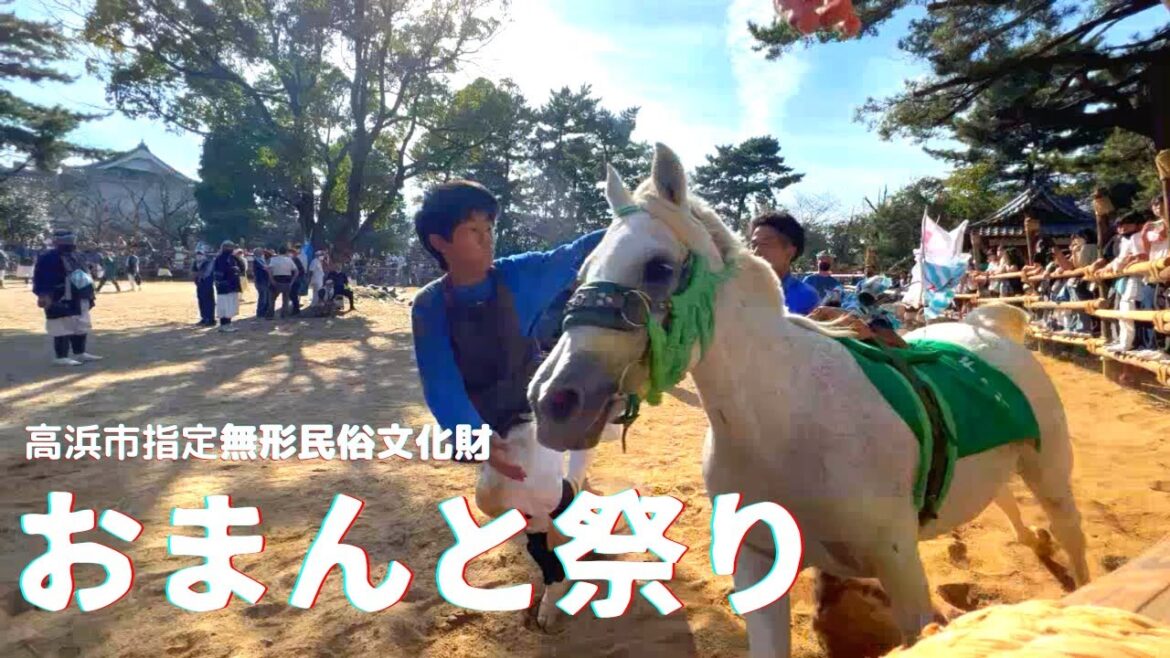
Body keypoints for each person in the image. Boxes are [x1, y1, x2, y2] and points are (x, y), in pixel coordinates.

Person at [411, 179, 608, 593]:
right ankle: (566, 518)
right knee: (497, 501)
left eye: (490, 229)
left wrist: (637, 218)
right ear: (439, 241)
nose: (487, 241)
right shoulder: (430, 305)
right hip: (483, 417)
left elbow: (573, 254)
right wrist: (477, 438)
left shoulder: (519, 275)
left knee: (535, 488)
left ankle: (566, 539)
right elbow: (440, 381)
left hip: (531, 404)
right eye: (473, 232)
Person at [33, 229, 103, 366]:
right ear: (57, 241)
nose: (71, 242)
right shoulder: (48, 257)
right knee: (61, 325)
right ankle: (61, 356)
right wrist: (44, 294)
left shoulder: (78, 255)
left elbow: (86, 274)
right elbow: (41, 278)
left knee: (80, 323)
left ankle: (80, 353)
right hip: (59, 295)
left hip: (80, 295)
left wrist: (89, 293)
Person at [746, 211, 820, 315]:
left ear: (790, 252)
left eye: (765, 244)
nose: (756, 252)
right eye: (753, 245)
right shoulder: (740, 292)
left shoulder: (806, 297)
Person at [1099, 212, 1147, 353]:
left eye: (1127, 224)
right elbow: (1120, 259)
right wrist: (1109, 268)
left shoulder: (1137, 237)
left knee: (1127, 308)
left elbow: (1141, 256)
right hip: (1128, 278)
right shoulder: (1126, 240)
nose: (1123, 228)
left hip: (1139, 277)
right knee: (1123, 309)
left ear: (1136, 224)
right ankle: (1124, 341)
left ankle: (1128, 343)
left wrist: (1127, 262)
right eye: (1120, 226)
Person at [212, 240, 247, 332]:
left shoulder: (232, 258)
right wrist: (232, 269)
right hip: (225, 285)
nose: (231, 249)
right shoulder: (220, 258)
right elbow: (219, 272)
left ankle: (228, 323)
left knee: (230, 304)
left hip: (232, 285)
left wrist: (237, 265)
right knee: (225, 305)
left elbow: (242, 267)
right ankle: (224, 324)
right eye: (229, 247)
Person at [268, 247, 299, 318]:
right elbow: (296, 271)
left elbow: (270, 270)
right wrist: (292, 281)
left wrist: (271, 280)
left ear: (278, 252)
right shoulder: (289, 260)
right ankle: (284, 314)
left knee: (272, 299)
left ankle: (270, 314)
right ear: (286, 252)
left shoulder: (273, 259)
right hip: (287, 280)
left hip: (276, 279)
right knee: (285, 299)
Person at [191, 249, 216, 326]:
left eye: (200, 254)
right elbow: (193, 272)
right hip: (199, 284)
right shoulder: (195, 263)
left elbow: (206, 273)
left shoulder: (208, 262)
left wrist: (198, 275)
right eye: (197, 254)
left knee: (208, 301)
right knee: (201, 300)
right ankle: (204, 318)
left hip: (207, 284)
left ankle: (210, 319)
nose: (198, 256)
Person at [252, 247, 273, 320]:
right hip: (261, 281)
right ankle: (260, 314)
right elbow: (265, 268)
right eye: (261, 252)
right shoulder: (257, 261)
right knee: (263, 298)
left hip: (264, 280)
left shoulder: (261, 260)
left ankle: (264, 313)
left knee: (265, 297)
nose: (262, 253)